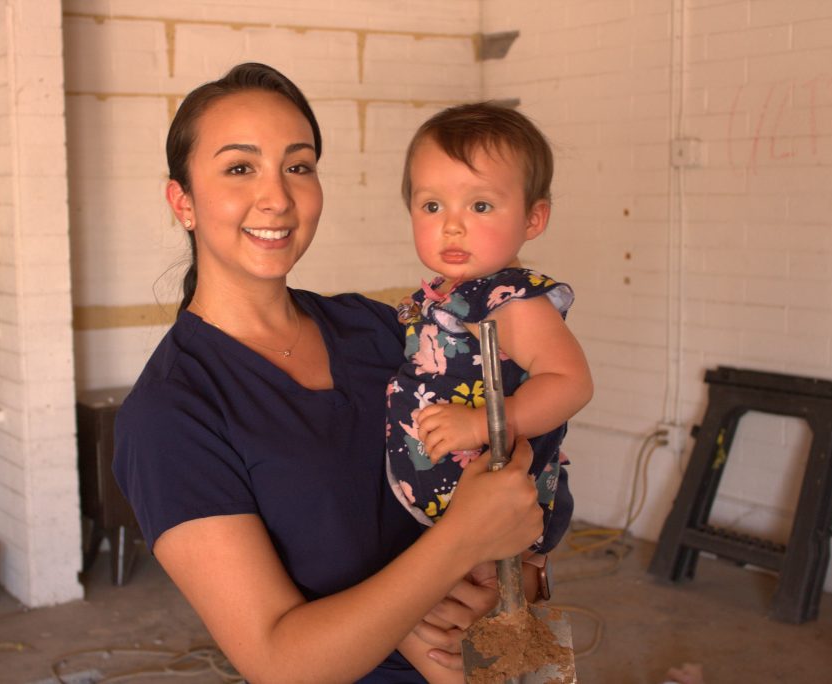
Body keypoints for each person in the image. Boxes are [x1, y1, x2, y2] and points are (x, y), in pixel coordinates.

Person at [112, 62, 552, 683]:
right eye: (240, 168)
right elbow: (279, 663)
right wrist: (463, 541)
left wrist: (507, 577)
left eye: (299, 166)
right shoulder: (170, 414)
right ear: (182, 200)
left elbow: (516, 459)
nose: (278, 198)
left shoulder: (384, 329)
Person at [384, 103, 594, 680]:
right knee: (448, 629)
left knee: (472, 637)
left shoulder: (511, 300)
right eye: (432, 205)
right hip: (457, 516)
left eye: (480, 205)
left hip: (500, 507)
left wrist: (482, 425)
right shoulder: (446, 295)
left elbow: (572, 383)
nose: (452, 225)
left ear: (533, 217)